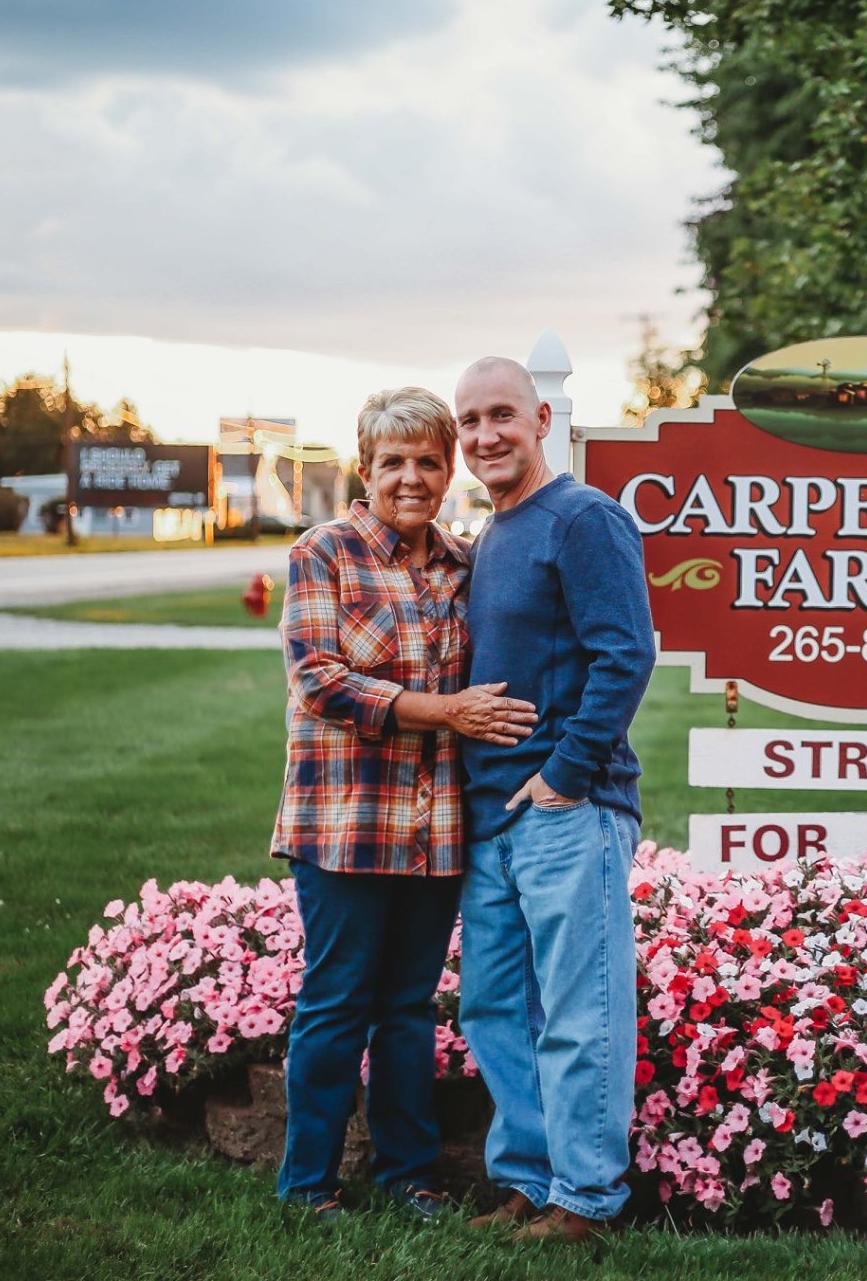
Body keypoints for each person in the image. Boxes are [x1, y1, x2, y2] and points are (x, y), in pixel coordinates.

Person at [271, 386, 537, 1223]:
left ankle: (408, 1175)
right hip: (344, 823)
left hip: (435, 827)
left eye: (429, 460)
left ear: (448, 467)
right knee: (337, 999)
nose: (413, 478)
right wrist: (445, 711)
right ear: (365, 468)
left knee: (409, 1007)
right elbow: (320, 681)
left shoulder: (465, 564)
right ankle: (308, 1182)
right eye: (395, 462)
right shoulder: (327, 552)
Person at [453, 356, 656, 1244]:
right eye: (470, 421)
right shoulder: (498, 530)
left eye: (502, 414)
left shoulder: (583, 518)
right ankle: (529, 1179)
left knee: (579, 1011)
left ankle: (585, 1197)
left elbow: (627, 654)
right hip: (490, 816)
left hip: (567, 808)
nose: (486, 435)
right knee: (496, 1008)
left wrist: (567, 775)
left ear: (541, 418)